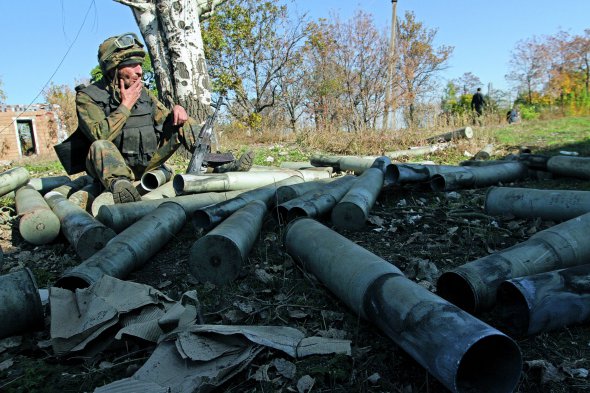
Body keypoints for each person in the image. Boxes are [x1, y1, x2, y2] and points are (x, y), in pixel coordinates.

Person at [76, 32, 253, 204]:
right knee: (100, 145)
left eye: (139, 64)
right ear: (113, 68)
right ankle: (122, 187)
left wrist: (176, 109)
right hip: (114, 168)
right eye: (132, 65)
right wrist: (125, 106)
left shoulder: (142, 92)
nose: (139, 71)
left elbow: (165, 118)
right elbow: (99, 135)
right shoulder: (88, 97)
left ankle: (217, 164)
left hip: (148, 162)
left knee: (183, 122)